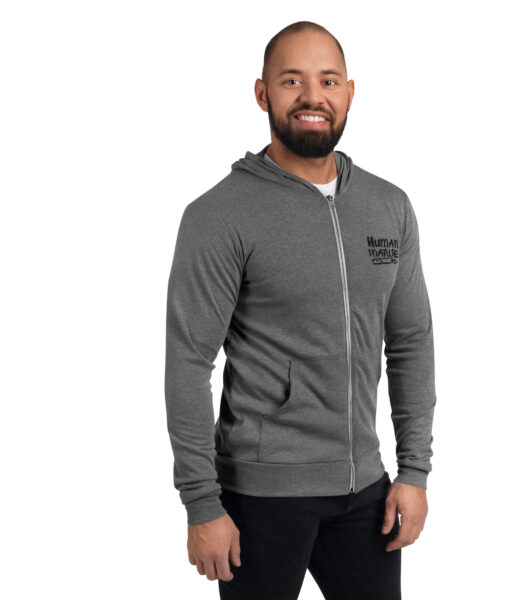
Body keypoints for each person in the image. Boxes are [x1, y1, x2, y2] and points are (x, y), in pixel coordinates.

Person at [164, 20, 437, 600]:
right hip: (260, 497)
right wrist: (202, 503)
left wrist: (414, 471)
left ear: (349, 93)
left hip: (365, 490)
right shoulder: (219, 215)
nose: (313, 96)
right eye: (292, 80)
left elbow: (410, 341)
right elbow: (188, 363)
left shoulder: (388, 206)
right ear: (262, 93)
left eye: (328, 80)